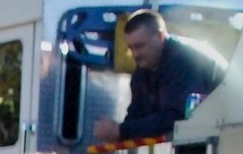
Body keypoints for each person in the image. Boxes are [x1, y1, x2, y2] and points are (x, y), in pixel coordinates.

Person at [93, 9, 227, 145]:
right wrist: (119, 132)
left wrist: (121, 131)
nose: (135, 54)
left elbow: (176, 117)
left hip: (229, 133)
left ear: (160, 36)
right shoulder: (144, 69)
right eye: (131, 48)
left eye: (140, 46)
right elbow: (138, 114)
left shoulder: (183, 61)